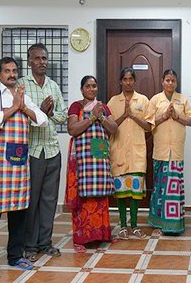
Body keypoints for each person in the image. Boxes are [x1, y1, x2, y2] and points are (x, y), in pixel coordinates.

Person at [0, 57, 48, 279]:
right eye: (7, 71)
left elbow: (42, 120)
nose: (11, 74)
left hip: (19, 164)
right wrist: (13, 108)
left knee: (19, 211)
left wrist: (24, 106)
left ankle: (15, 255)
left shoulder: (24, 96)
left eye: (14, 70)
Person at [18, 43, 67, 262]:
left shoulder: (53, 86)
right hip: (32, 151)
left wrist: (51, 112)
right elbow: (19, 117)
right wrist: (39, 111)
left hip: (52, 150)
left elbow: (63, 116)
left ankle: (44, 242)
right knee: (32, 199)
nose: (42, 62)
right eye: (37, 58)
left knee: (49, 199)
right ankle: (29, 245)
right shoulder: (21, 86)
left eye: (44, 58)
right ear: (29, 61)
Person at [66, 75, 118, 252]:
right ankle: (81, 238)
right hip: (82, 157)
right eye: (87, 86)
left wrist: (101, 117)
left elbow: (113, 129)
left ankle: (102, 234)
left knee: (100, 195)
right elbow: (72, 129)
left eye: (94, 86)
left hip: (99, 154)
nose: (91, 89)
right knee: (84, 196)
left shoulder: (103, 107)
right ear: (81, 89)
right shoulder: (76, 106)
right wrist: (91, 118)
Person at [145, 69, 191, 235]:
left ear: (176, 82)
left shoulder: (183, 100)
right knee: (160, 189)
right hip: (160, 150)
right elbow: (148, 123)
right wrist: (165, 116)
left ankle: (174, 225)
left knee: (174, 188)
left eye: (173, 80)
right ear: (162, 81)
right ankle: (158, 223)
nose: (170, 83)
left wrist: (177, 117)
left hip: (177, 151)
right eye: (167, 80)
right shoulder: (155, 100)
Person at [107, 67, 151, 240]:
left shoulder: (143, 100)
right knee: (121, 192)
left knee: (134, 191)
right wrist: (124, 115)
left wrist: (132, 115)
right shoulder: (112, 102)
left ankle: (134, 225)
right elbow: (109, 128)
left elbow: (148, 127)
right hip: (118, 150)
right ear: (120, 81)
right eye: (125, 79)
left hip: (137, 152)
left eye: (131, 79)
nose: (128, 82)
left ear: (134, 80)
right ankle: (123, 226)